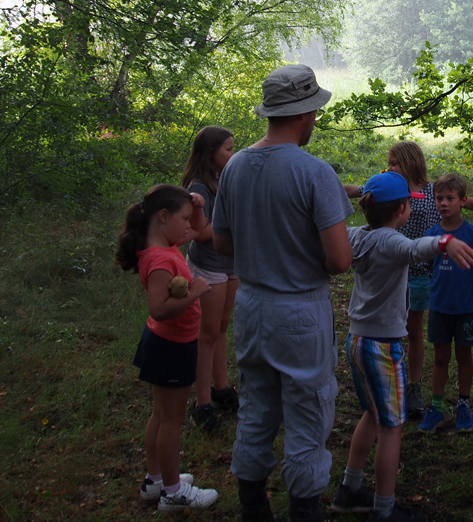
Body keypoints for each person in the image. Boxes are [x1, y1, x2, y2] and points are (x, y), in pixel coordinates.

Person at [212, 65, 354, 522]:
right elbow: (339, 261)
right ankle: (304, 510)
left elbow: (221, 243)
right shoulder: (314, 172)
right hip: (299, 311)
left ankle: (253, 508)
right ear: (306, 112)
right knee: (308, 414)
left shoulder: (234, 166)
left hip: (251, 306)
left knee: (256, 407)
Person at [333, 171, 473, 522]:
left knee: (372, 413)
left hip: (357, 340)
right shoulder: (390, 242)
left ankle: (349, 489)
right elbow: (416, 248)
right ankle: (384, 509)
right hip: (382, 347)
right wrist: (445, 242)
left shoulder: (355, 236)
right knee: (392, 427)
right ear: (401, 210)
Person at [344, 141, 473, 419]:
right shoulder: (390, 193)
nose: (390, 167)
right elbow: (350, 192)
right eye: (389, 163)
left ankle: (413, 386)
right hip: (396, 268)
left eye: (394, 163)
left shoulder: (431, 191)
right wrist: (361, 190)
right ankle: (399, 382)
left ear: (409, 162)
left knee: (414, 331)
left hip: (421, 273)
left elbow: (468, 201)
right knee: (404, 329)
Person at [115, 184, 219, 511]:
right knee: (171, 420)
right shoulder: (160, 259)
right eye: (183, 218)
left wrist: (198, 208)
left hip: (167, 341)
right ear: (163, 217)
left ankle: (155, 480)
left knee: (161, 414)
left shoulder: (165, 242)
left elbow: (199, 230)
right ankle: (173, 493)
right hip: (171, 345)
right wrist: (195, 292)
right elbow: (158, 308)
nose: (189, 225)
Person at [418, 173, 473, 434]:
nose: (444, 203)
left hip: (466, 309)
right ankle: (436, 407)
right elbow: (429, 264)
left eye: (450, 198)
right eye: (439, 198)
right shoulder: (432, 235)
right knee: (439, 358)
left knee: (464, 356)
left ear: (463, 200)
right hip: (439, 308)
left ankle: (463, 404)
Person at [181, 126, 239, 431]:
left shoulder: (225, 180)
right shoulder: (199, 187)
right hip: (210, 266)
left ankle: (222, 388)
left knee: (222, 327)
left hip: (231, 263)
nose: (233, 154)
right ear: (210, 154)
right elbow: (200, 232)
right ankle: (201, 403)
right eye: (228, 150)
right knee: (208, 333)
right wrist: (228, 226)